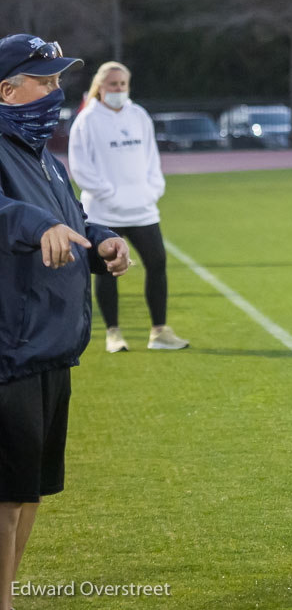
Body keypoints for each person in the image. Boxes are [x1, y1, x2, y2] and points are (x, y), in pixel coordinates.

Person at [0, 34, 131, 610]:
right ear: (8, 90)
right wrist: (35, 224)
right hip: (10, 353)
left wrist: (101, 243)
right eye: (44, 81)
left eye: (58, 81)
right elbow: (13, 216)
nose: (57, 92)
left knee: (27, 497)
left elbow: (72, 218)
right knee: (5, 499)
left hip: (50, 348)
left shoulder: (42, 158)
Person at [67, 62, 189, 352]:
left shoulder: (139, 115)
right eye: (113, 85)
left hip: (142, 209)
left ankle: (159, 332)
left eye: (123, 84)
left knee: (157, 262)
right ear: (101, 87)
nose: (118, 89)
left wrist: (152, 190)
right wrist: (109, 193)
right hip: (103, 211)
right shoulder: (87, 120)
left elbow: (151, 159)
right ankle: (113, 333)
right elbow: (80, 168)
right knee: (108, 269)